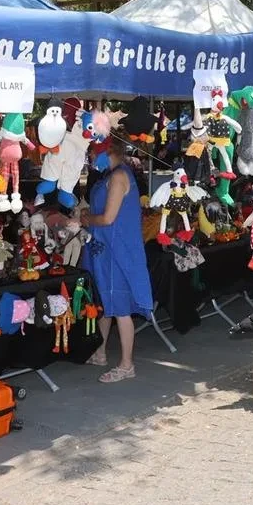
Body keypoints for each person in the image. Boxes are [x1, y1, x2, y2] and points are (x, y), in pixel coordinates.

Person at [81, 144, 154, 383]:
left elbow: (108, 217)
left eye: (92, 153)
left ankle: (126, 364)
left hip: (117, 250)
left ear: (105, 152)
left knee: (120, 308)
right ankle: (101, 352)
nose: (90, 157)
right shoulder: (111, 175)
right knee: (105, 303)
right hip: (104, 249)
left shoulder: (120, 176)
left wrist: (85, 218)